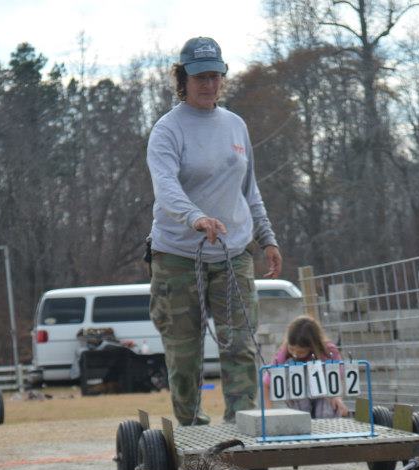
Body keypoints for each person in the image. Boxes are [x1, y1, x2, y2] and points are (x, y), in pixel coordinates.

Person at [146, 36, 282, 425]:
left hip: (233, 252)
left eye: (214, 76)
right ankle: (192, 431)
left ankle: (244, 428)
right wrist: (195, 218)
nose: (208, 84)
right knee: (184, 351)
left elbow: (249, 189)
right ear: (183, 79)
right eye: (199, 77)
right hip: (177, 255)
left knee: (240, 344)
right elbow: (166, 187)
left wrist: (266, 237)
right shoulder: (168, 130)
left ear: (223, 77)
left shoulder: (235, 126)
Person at [263, 315, 349, 418]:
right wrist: (268, 413)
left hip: (323, 393)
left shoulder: (329, 351)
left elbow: (337, 377)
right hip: (299, 393)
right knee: (302, 415)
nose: (295, 354)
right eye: (292, 349)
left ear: (312, 347)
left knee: (326, 413)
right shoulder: (284, 353)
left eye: (301, 351)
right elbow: (267, 383)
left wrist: (337, 397)